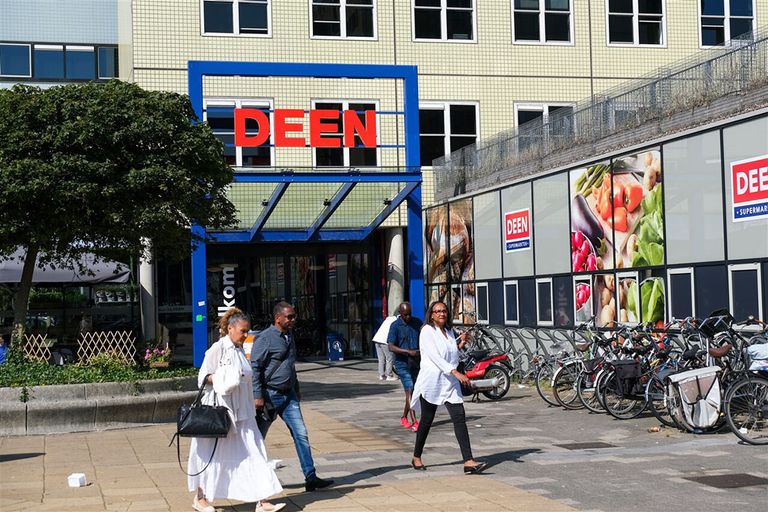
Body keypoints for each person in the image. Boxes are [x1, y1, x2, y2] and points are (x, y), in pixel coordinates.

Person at [188, 307, 285, 512]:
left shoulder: (240, 350)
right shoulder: (218, 348)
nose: (246, 335)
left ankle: (262, 500)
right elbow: (203, 378)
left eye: (247, 331)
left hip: (244, 413)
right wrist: (226, 379)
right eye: (242, 331)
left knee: (255, 453)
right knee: (209, 454)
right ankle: (200, 498)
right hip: (221, 413)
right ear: (230, 329)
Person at [252, 301, 334, 492]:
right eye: (289, 317)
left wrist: (296, 387)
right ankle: (250, 479)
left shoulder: (289, 336)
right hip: (269, 396)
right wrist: (258, 396)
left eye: (294, 316)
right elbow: (255, 368)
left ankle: (310, 477)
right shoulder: (265, 338)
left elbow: (290, 364)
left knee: (301, 434)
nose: (293, 320)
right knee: (256, 440)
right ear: (277, 318)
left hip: (289, 396)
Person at [410, 300, 487, 475]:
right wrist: (456, 373)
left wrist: (460, 345)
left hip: (449, 383)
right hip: (432, 382)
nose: (441, 314)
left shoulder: (450, 331)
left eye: (444, 311)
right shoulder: (427, 331)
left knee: (459, 417)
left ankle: (468, 461)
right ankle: (416, 456)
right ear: (431, 314)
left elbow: (451, 355)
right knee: (427, 420)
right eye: (437, 311)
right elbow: (436, 357)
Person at [387, 302, 422, 432]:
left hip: (416, 362)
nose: (408, 317)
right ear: (401, 314)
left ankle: (404, 417)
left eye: (409, 314)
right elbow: (390, 346)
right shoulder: (395, 326)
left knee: (414, 391)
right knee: (410, 388)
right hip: (402, 363)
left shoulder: (417, 322)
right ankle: (415, 421)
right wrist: (407, 352)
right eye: (405, 315)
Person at [372, 314, 397, 381]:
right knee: (389, 358)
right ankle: (389, 375)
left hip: (377, 339)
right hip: (384, 341)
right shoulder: (396, 321)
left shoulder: (388, 319)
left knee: (381, 359)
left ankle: (382, 375)